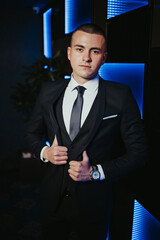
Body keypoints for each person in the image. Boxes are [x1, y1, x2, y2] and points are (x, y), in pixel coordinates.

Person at [26, 23, 148, 240]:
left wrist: (95, 172)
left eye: (95, 51)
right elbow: (31, 135)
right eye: (80, 49)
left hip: (94, 203)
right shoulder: (48, 91)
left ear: (104, 57)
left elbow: (139, 153)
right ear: (70, 53)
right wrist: (45, 153)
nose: (87, 58)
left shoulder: (121, 96)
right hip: (51, 197)